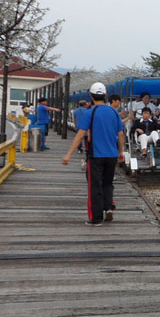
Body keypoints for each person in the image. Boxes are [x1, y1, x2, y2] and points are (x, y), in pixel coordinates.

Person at [62, 82, 125, 226]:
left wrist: (68, 155)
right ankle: (108, 207)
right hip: (112, 155)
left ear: (90, 96)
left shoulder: (90, 113)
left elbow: (80, 135)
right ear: (105, 95)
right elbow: (121, 134)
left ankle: (96, 218)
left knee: (95, 186)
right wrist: (120, 152)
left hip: (96, 155)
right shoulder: (114, 112)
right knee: (108, 183)